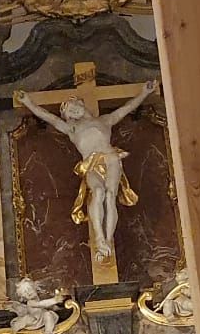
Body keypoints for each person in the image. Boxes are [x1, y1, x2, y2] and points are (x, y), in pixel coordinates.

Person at [16, 80, 158, 261]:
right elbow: (49, 118)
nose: (72, 111)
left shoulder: (105, 121)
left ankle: (108, 240)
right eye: (68, 112)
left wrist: (145, 93)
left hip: (111, 159)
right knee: (97, 192)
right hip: (90, 163)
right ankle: (99, 238)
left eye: (73, 106)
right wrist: (28, 102)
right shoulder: (72, 129)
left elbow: (126, 108)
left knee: (110, 195)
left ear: (81, 103)